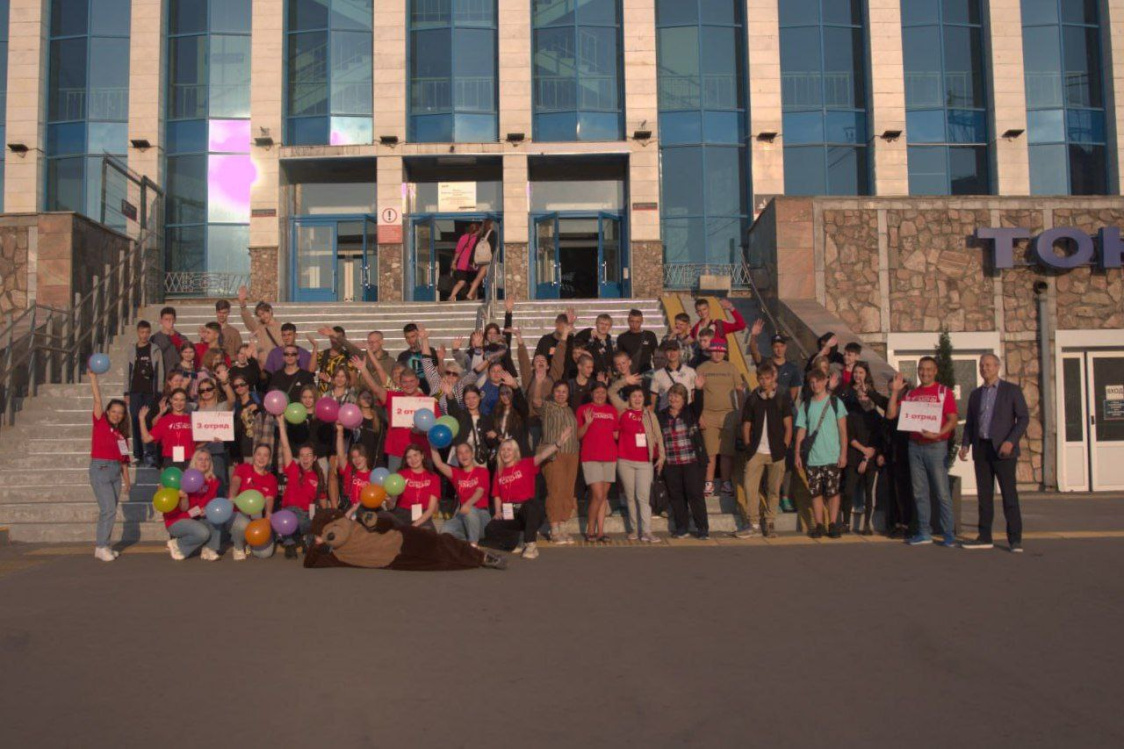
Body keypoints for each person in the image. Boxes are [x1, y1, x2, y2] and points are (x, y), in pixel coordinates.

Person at [959, 354, 1030, 552]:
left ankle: (1015, 539)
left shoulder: (1011, 390)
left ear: (998, 367)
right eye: (982, 365)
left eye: (989, 365)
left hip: (1003, 450)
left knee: (1009, 495)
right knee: (984, 496)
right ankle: (984, 537)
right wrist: (965, 445)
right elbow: (970, 423)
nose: (985, 368)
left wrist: (1010, 441)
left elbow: (1023, 418)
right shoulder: (975, 394)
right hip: (981, 449)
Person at [887, 356, 959, 547]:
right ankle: (924, 532)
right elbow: (891, 414)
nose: (924, 373)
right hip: (915, 446)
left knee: (942, 492)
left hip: (936, 446)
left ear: (935, 371)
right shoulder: (911, 394)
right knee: (919, 492)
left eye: (928, 369)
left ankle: (948, 533)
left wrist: (938, 434)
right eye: (921, 369)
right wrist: (895, 392)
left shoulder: (943, 392)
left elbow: (953, 420)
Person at [485, 433, 570, 559]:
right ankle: (516, 541)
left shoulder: (525, 464)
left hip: (529, 511)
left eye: (509, 450)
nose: (505, 453)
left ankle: (531, 545)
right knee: (491, 528)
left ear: (515, 452)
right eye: (503, 450)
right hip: (511, 512)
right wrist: (497, 511)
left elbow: (542, 455)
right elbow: (496, 495)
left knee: (531, 505)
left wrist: (557, 444)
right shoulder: (499, 472)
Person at [736, 361, 792, 539]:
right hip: (756, 451)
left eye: (767, 378)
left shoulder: (781, 398)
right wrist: (748, 445)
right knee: (749, 487)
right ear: (757, 379)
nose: (764, 382)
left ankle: (769, 521)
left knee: (774, 489)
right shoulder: (753, 399)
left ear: (773, 378)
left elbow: (788, 425)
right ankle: (753, 523)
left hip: (776, 452)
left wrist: (784, 446)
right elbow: (746, 424)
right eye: (761, 378)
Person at [609, 376, 665, 542]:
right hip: (625, 460)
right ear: (629, 399)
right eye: (634, 396)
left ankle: (647, 531)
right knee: (630, 496)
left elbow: (658, 436)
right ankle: (634, 529)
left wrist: (662, 456)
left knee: (643, 497)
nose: (637, 399)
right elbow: (611, 392)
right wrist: (625, 381)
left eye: (640, 396)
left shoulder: (650, 415)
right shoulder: (623, 411)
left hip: (644, 462)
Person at [794, 369, 848, 538]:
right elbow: (801, 430)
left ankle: (832, 523)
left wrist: (843, 454)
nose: (815, 385)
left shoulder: (835, 402)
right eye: (812, 382)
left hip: (832, 455)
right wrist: (797, 453)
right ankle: (819, 524)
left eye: (818, 381)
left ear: (825, 381)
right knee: (815, 493)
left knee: (833, 492)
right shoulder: (806, 405)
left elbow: (843, 430)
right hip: (813, 457)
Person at [87, 371, 131, 562]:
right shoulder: (100, 423)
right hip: (101, 468)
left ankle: (104, 545)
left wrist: (127, 481)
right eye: (113, 411)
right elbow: (97, 401)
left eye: (120, 412)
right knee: (108, 509)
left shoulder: (122, 435)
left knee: (111, 510)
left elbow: (124, 460)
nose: (116, 415)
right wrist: (93, 379)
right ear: (107, 412)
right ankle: (101, 546)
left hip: (115, 472)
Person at [658, 383, 709, 539]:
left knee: (695, 494)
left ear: (684, 398)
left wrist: (699, 389)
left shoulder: (690, 411)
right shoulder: (661, 415)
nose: (673, 398)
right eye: (671, 395)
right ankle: (682, 528)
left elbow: (699, 403)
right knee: (676, 496)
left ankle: (702, 528)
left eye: (678, 395)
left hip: (691, 462)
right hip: (671, 463)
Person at [696, 340, 744, 498]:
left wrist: (740, 412)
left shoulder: (731, 368)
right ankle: (708, 482)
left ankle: (725, 482)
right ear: (710, 351)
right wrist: (699, 415)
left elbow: (739, 391)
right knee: (710, 452)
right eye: (714, 350)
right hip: (708, 414)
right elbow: (695, 392)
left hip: (728, 415)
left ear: (725, 352)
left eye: (720, 351)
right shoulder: (702, 368)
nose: (717, 354)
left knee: (726, 452)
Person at [841, 362, 885, 535]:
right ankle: (845, 523)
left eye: (866, 395)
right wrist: (862, 451)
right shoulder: (852, 413)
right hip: (854, 454)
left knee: (869, 492)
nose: (863, 398)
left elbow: (878, 437)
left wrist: (868, 456)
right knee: (848, 490)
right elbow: (849, 435)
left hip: (870, 457)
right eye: (860, 395)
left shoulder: (875, 416)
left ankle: (867, 524)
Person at [277, 416, 327, 556]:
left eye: (309, 455)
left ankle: (306, 540)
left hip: (307, 515)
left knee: (317, 520)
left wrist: (325, 518)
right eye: (302, 455)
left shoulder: (318, 477)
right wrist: (281, 423)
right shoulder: (293, 469)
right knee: (290, 515)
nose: (305, 458)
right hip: (291, 513)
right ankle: (289, 544)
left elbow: (323, 500)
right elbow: (285, 446)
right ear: (298, 458)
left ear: (314, 458)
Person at [162, 448, 222, 561]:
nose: (204, 462)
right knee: (203, 533)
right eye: (200, 459)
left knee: (216, 515)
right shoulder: (184, 477)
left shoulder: (213, 481)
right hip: (178, 519)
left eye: (207, 459)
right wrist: (184, 497)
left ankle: (209, 549)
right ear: (194, 461)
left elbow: (211, 503)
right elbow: (184, 508)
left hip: (196, 516)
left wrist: (207, 509)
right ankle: (177, 544)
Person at [539, 380, 580, 545]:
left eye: (564, 391)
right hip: (554, 454)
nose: (561, 394)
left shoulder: (570, 409)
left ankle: (563, 524)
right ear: (552, 392)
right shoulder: (548, 407)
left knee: (567, 491)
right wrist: (539, 379)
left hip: (572, 454)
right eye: (558, 391)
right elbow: (535, 400)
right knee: (555, 490)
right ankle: (554, 527)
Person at [576, 381, 618, 542]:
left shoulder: (612, 410)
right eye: (597, 392)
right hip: (591, 457)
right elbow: (578, 435)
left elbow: (616, 433)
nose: (600, 395)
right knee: (598, 495)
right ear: (591, 393)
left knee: (603, 496)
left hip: (610, 457)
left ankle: (600, 531)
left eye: (603, 392)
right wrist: (587, 423)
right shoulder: (583, 409)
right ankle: (590, 530)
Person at [432, 443, 491, 546]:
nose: (464, 455)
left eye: (466, 452)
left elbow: (479, 491)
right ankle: (466, 542)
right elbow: (439, 464)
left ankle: (473, 545)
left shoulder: (482, 471)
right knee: (446, 530)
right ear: (457, 457)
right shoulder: (456, 473)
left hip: (481, 515)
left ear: (472, 454)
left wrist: (468, 504)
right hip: (463, 515)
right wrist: (432, 443)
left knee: (470, 510)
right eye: (460, 453)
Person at [229, 444, 280, 560]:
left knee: (264, 554)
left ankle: (249, 541)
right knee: (242, 524)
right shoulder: (243, 468)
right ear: (254, 455)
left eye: (265, 455)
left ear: (269, 459)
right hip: (240, 514)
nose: (261, 458)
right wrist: (232, 496)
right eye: (259, 454)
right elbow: (236, 481)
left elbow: (269, 498)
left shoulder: (271, 478)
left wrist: (268, 513)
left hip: (258, 518)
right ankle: (238, 546)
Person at [125, 320, 163, 467]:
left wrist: (158, 391)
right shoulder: (132, 350)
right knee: (135, 421)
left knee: (148, 421)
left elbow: (160, 371)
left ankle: (150, 453)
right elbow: (128, 372)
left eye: (147, 332)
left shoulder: (155, 349)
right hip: (135, 391)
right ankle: (138, 455)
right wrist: (126, 392)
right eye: (142, 332)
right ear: (137, 332)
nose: (144, 335)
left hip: (149, 392)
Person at [193, 373, 235, 496]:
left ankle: (219, 505)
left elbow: (232, 400)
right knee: (201, 484)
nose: (206, 392)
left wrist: (225, 383)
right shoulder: (196, 409)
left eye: (208, 389)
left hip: (217, 452)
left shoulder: (222, 406)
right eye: (202, 390)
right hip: (200, 450)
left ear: (214, 390)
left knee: (218, 483)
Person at [516, 328, 554, 448]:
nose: (540, 362)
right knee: (534, 452)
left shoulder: (553, 379)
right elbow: (523, 361)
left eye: (543, 360)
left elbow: (559, 359)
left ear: (548, 366)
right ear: (533, 366)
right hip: (533, 423)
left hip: (551, 421)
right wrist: (519, 339)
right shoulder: (529, 379)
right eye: (537, 360)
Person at [139, 389, 194, 469]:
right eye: (176, 399)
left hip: (190, 461)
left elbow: (201, 441)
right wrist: (141, 419)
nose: (179, 403)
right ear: (171, 400)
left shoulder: (193, 419)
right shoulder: (164, 420)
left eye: (182, 400)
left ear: (186, 401)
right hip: (170, 461)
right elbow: (146, 439)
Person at [747, 320, 801, 401]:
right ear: (772, 347)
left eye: (781, 346)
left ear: (785, 347)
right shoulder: (765, 363)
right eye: (776, 347)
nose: (779, 350)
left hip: (783, 404)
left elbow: (794, 390)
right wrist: (753, 335)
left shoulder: (792, 368)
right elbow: (754, 352)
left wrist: (788, 405)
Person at [390, 445, 440, 530]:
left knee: (427, 532)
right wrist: (391, 500)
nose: (413, 459)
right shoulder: (400, 475)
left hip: (423, 514)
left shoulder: (434, 477)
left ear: (422, 456)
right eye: (409, 457)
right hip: (401, 513)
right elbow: (391, 505)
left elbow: (431, 509)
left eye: (415, 455)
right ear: (406, 460)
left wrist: (413, 526)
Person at [336, 422, 375, 518]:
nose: (357, 460)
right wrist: (340, 431)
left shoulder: (373, 476)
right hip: (348, 508)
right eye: (354, 457)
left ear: (366, 457)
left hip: (364, 512)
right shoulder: (349, 470)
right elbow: (340, 454)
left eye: (360, 456)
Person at [238, 286, 284, 362]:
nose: (262, 317)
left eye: (263, 313)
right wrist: (242, 304)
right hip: (264, 364)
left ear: (270, 311)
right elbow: (249, 321)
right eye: (260, 315)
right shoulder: (260, 328)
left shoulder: (281, 327)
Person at [649, 339, 697, 410]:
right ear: (665, 353)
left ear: (679, 352)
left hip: (686, 413)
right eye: (669, 351)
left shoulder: (690, 372)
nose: (672, 353)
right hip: (665, 414)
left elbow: (693, 396)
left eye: (674, 350)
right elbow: (652, 401)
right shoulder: (657, 375)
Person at [616, 309, 659, 374]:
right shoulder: (622, 337)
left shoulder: (650, 335)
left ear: (642, 321)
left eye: (637, 322)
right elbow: (620, 358)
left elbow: (656, 354)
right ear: (628, 320)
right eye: (632, 321)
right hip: (629, 373)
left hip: (647, 373)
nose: (634, 324)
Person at [150, 306, 186, 378]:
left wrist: (173, 336)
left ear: (175, 320)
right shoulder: (154, 338)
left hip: (177, 376)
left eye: (171, 319)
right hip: (161, 376)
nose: (169, 322)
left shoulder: (181, 338)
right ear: (161, 320)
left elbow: (185, 353)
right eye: (166, 319)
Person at [448, 222, 479, 301]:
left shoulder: (463, 238)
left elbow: (458, 251)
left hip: (461, 265)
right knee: (473, 283)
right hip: (472, 265)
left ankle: (452, 296)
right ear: (478, 230)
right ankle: (473, 299)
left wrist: (454, 262)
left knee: (460, 282)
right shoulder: (477, 239)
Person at [465, 219, 495, 300]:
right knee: (480, 278)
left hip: (481, 259)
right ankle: (470, 294)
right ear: (490, 224)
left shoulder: (481, 234)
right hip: (487, 260)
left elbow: (474, 248)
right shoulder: (492, 233)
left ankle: (473, 295)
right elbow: (493, 247)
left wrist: (472, 260)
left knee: (480, 278)